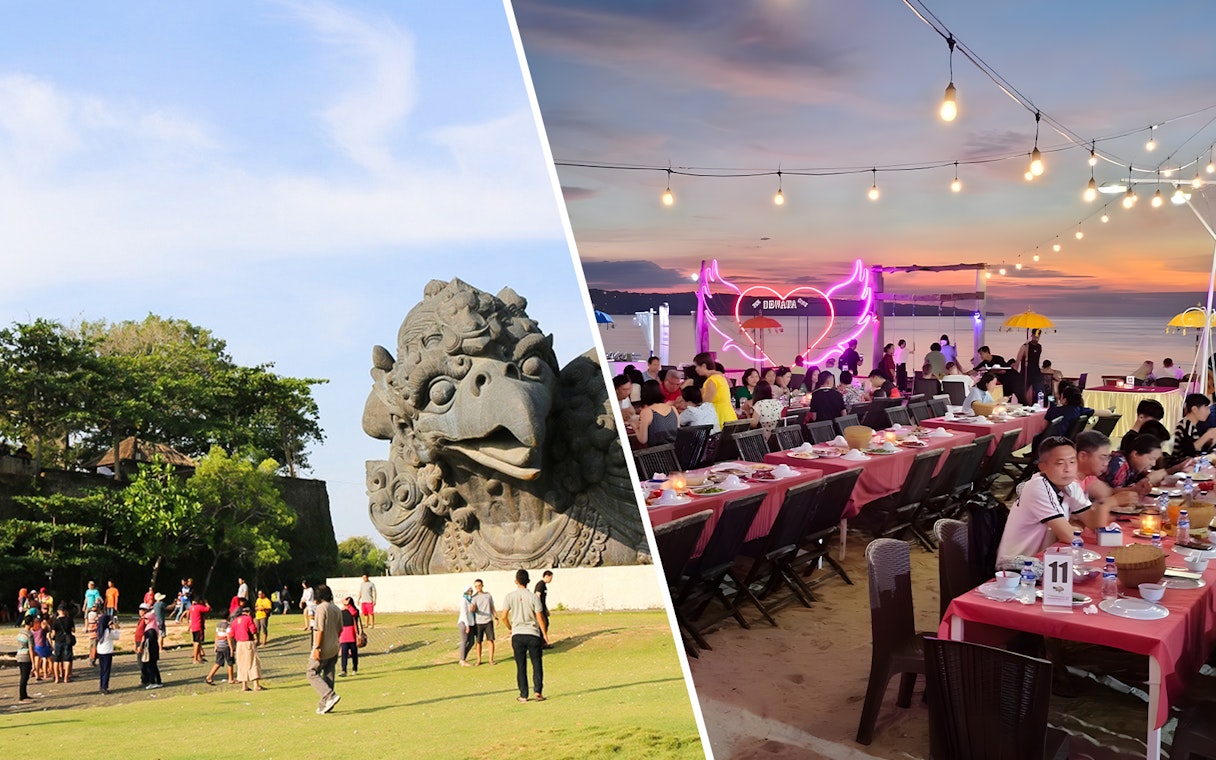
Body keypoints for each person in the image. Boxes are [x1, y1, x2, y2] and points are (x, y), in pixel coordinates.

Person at [995, 437, 1108, 567]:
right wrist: (1111, 503)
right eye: (1060, 463)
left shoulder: (1071, 485)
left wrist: (1106, 503)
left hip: (1045, 561)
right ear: (1043, 467)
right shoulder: (1037, 487)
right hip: (1016, 566)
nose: (1068, 469)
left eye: (1072, 462)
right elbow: (1069, 536)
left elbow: (1094, 524)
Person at [501, 568, 549, 703]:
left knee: (520, 665)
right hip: (532, 633)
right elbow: (540, 617)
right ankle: (538, 691)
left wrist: (511, 628)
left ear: (516, 581)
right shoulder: (533, 597)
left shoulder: (509, 597)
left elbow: (504, 616)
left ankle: (523, 694)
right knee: (536, 663)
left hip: (518, 634)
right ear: (528, 581)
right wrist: (544, 634)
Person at [307, 583, 343, 714]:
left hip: (323, 646)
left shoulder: (322, 608)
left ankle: (329, 696)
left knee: (311, 673)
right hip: (334, 645)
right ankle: (325, 705)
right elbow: (340, 629)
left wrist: (317, 647)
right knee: (328, 673)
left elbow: (319, 629)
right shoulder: (336, 608)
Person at [693, 352, 737, 427]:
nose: (696, 369)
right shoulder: (720, 377)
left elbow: (706, 403)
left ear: (703, 366)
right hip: (729, 415)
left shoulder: (711, 381)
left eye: (696, 366)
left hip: (719, 417)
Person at [231, 600, 264, 692]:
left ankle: (244, 685)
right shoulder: (248, 618)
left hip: (239, 644)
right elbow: (253, 630)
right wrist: (256, 638)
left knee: (241, 664)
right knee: (253, 662)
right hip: (248, 642)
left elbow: (231, 634)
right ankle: (256, 685)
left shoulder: (235, 621)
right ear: (249, 612)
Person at [636, 379, 679, 446]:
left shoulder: (646, 411)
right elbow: (678, 431)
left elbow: (643, 440)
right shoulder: (673, 409)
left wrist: (635, 426)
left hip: (655, 454)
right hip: (675, 451)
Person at [1175, 393, 1216, 460]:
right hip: (1183, 465)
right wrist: (1208, 435)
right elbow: (1188, 451)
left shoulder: (1192, 426)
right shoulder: (1185, 425)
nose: (1209, 412)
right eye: (1206, 408)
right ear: (1194, 409)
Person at [470, 578, 497, 666]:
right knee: (478, 642)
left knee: (490, 640)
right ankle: (478, 660)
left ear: (482, 585)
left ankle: (491, 659)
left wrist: (496, 617)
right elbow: (472, 609)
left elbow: (492, 607)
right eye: (476, 586)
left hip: (488, 621)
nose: (478, 587)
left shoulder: (488, 595)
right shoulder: (474, 597)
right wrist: (472, 608)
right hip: (478, 622)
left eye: (479, 585)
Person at [137, 602, 163, 689]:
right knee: (153, 666)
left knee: (151, 666)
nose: (145, 620)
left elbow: (149, 639)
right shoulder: (150, 626)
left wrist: (142, 645)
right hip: (152, 649)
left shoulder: (151, 628)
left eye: (147, 619)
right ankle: (157, 681)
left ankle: (153, 681)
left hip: (151, 649)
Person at [205, 616, 235, 686]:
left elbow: (216, 635)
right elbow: (228, 637)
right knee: (230, 662)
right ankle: (231, 679)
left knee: (218, 662)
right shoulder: (228, 625)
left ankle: (209, 677)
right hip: (226, 646)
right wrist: (231, 648)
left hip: (219, 645)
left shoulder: (218, 624)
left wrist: (215, 645)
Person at [50, 604, 75, 684]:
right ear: (65, 611)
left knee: (57, 660)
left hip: (58, 640)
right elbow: (73, 630)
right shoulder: (69, 619)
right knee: (67, 659)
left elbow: (53, 633)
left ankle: (57, 678)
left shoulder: (55, 620)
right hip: (67, 641)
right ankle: (66, 678)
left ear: (58, 611)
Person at [339, 596, 363, 677]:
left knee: (354, 653)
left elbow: (354, 613)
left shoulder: (354, 611)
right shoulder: (341, 611)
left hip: (353, 634)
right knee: (344, 653)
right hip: (344, 634)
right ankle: (343, 670)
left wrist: (348, 605)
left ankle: (354, 668)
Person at [1015, 330, 1044, 400]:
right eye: (1035, 336)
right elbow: (1017, 361)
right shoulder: (1025, 346)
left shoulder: (1039, 347)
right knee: (1024, 392)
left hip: (1036, 372)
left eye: (1038, 337)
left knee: (1039, 391)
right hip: (1026, 372)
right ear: (1032, 336)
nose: (1036, 338)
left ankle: (1038, 405)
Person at [95, 611, 118, 694]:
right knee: (106, 670)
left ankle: (101, 686)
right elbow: (116, 637)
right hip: (107, 651)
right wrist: (115, 628)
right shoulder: (108, 631)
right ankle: (104, 687)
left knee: (102, 670)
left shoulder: (99, 630)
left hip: (100, 650)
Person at [15, 615, 33, 703]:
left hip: (19, 655)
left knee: (23, 676)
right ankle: (22, 696)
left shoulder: (20, 632)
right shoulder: (29, 634)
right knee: (24, 677)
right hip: (26, 657)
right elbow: (31, 649)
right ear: (31, 623)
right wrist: (33, 661)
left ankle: (24, 694)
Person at [458, 587, 476, 667]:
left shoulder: (470, 600)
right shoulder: (463, 600)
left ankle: (463, 657)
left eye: (471, 591)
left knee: (471, 641)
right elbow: (464, 613)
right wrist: (467, 625)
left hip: (471, 623)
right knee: (464, 641)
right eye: (469, 591)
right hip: (464, 623)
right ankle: (462, 660)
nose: (470, 592)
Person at [189, 597, 211, 662]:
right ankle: (195, 658)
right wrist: (206, 603)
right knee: (197, 643)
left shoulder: (192, 607)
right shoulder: (199, 607)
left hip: (193, 627)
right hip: (199, 627)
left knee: (196, 642)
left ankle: (199, 657)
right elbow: (208, 609)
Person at [534, 571, 553, 647]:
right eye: (550, 578)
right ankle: (542, 643)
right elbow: (537, 595)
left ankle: (542, 642)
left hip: (542, 608)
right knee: (543, 624)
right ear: (546, 576)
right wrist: (539, 608)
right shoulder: (540, 584)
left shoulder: (544, 585)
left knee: (546, 623)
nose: (551, 580)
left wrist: (546, 609)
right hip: (539, 609)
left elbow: (543, 599)